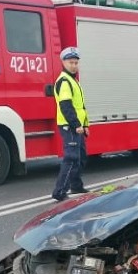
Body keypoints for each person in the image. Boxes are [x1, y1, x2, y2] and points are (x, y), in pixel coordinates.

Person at [51, 46, 90, 202]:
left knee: (80, 157)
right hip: (70, 126)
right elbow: (66, 106)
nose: (74, 65)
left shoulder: (74, 81)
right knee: (71, 157)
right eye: (71, 62)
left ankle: (76, 185)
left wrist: (86, 125)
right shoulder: (64, 81)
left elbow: (81, 106)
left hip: (77, 126)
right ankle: (59, 191)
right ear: (63, 62)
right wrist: (76, 125)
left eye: (76, 62)